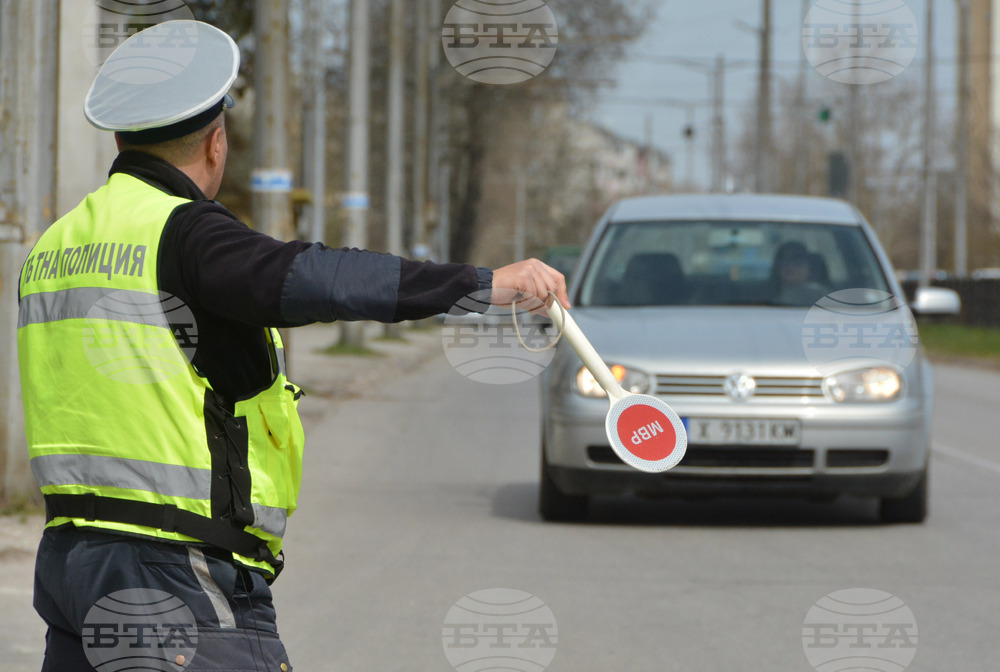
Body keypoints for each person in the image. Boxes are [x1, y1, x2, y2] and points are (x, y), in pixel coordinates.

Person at [17, 21, 568, 671]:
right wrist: (483, 283)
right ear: (216, 141)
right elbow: (320, 278)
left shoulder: (55, 247)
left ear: (119, 137)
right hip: (175, 574)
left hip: (72, 564)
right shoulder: (187, 234)